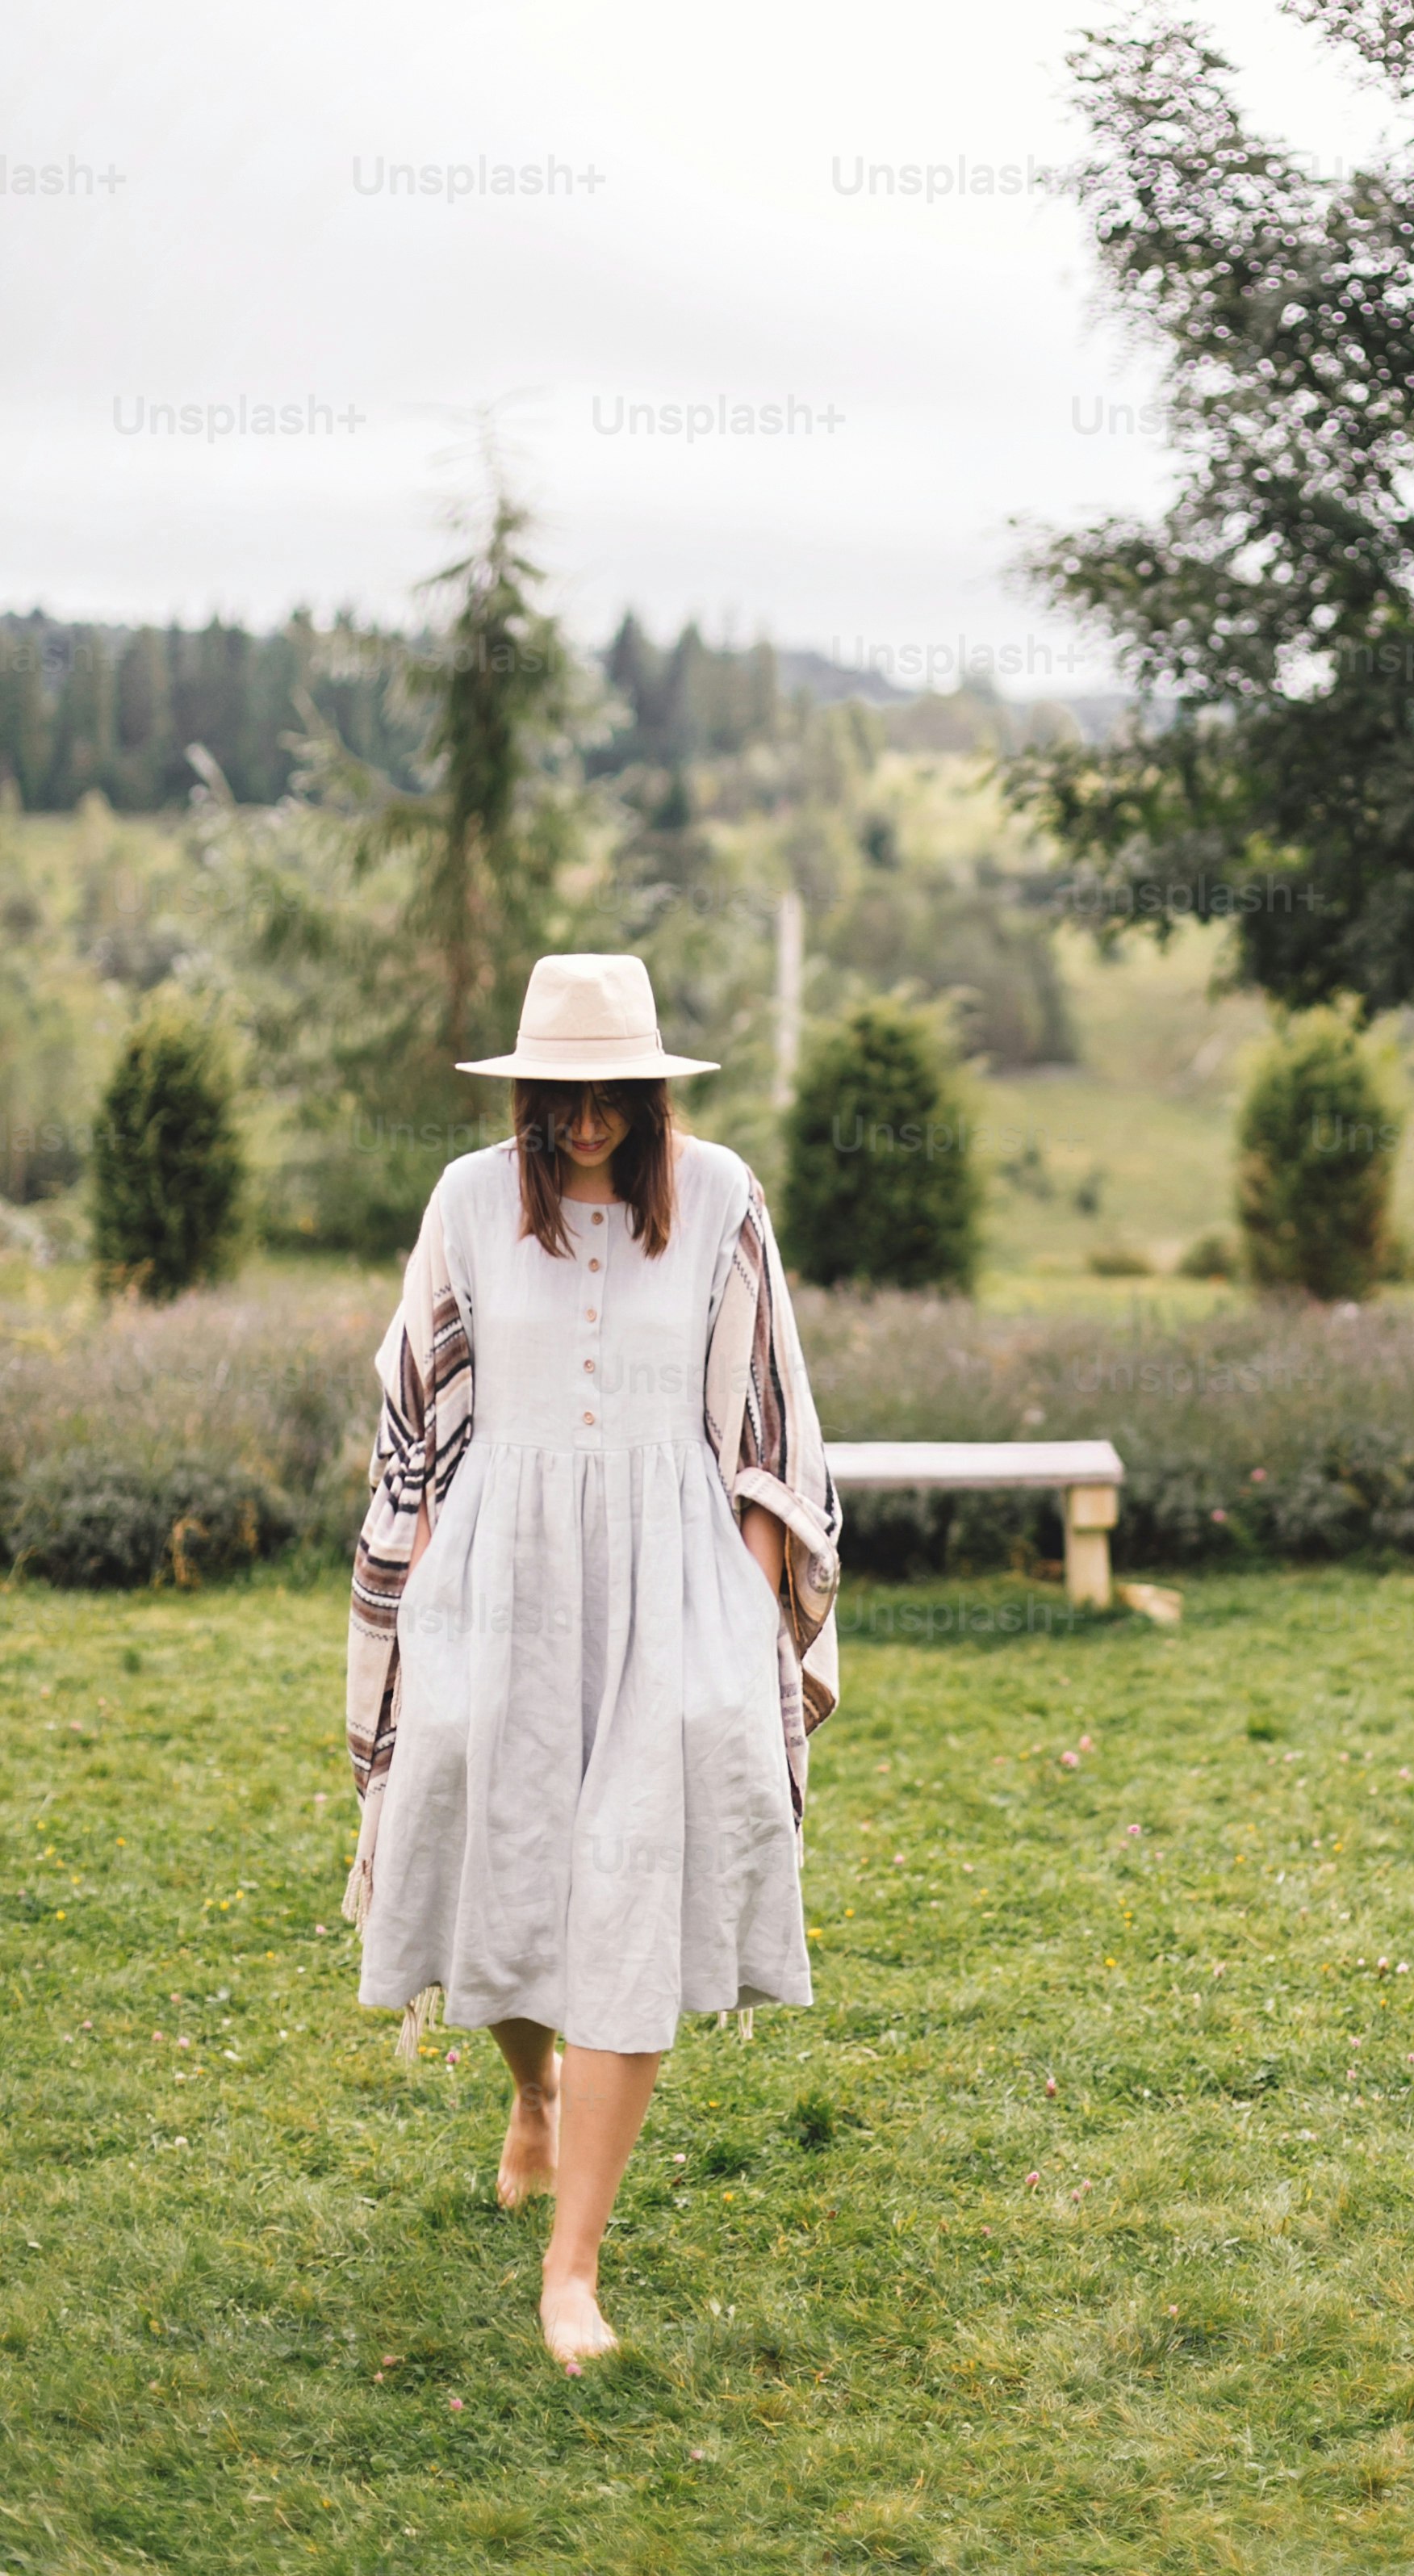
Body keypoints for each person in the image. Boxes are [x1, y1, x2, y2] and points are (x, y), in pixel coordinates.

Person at [341, 953, 841, 2365]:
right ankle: (534, 2091)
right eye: (556, 1093)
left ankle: (574, 2270)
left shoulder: (728, 1198)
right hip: (499, 1565)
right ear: (525, 1094)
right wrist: (427, 1566)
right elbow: (418, 1399)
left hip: (673, 1566)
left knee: (631, 1875)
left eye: (607, 1089)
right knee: (474, 1829)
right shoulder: (465, 1202)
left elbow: (768, 1417)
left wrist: (746, 1613)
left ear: (650, 1084)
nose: (583, 1117)